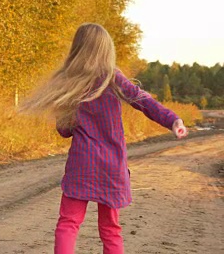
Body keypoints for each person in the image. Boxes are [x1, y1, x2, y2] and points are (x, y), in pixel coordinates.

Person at [18, 23, 187, 254]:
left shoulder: (70, 83)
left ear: (77, 49)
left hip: (82, 165)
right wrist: (172, 120)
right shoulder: (112, 78)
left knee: (68, 222)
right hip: (111, 166)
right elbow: (143, 100)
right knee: (110, 229)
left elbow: (64, 131)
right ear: (106, 50)